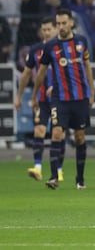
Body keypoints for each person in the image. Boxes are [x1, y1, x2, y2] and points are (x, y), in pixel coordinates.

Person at [31, 8, 95, 190]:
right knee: (57, 133)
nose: (60, 27)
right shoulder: (50, 46)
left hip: (80, 97)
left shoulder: (81, 42)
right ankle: (53, 177)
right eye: (58, 23)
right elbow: (41, 73)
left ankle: (80, 179)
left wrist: (92, 91)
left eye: (63, 23)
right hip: (59, 98)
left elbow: (88, 67)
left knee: (80, 137)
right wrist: (35, 94)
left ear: (71, 23)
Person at [15, 17, 66, 182]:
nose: (46, 32)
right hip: (42, 98)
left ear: (56, 29)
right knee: (39, 131)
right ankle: (37, 168)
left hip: (61, 98)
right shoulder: (35, 50)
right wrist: (19, 96)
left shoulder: (63, 47)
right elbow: (27, 74)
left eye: (49, 29)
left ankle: (58, 169)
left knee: (59, 134)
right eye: (43, 30)